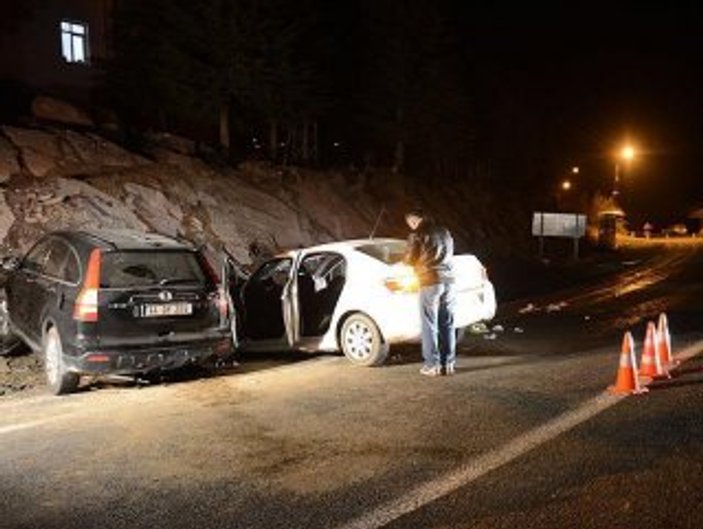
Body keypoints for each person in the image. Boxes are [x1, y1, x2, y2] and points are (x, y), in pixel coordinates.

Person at [403, 209, 457, 376]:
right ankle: (448, 364)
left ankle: (431, 365)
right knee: (447, 323)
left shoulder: (417, 234)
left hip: (430, 281)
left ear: (414, 220)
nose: (411, 226)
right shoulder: (445, 232)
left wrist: (404, 259)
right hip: (448, 281)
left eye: (411, 223)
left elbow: (411, 260)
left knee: (429, 324)